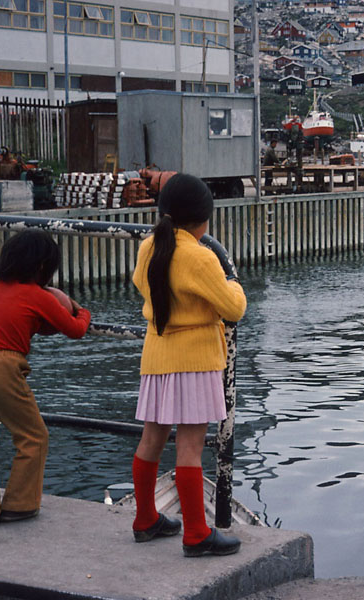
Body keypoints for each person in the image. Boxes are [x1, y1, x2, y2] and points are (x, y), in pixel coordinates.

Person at [130, 173, 247, 558]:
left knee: (152, 438)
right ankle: (196, 533)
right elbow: (233, 308)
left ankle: (145, 518)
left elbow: (139, 282)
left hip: (157, 356)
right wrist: (234, 284)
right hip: (194, 360)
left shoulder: (149, 247)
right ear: (203, 220)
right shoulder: (200, 256)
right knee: (191, 447)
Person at [0, 230, 92, 529]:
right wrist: (82, 310)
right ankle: (19, 505)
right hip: (2, 365)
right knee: (34, 437)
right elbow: (75, 329)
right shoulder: (36, 296)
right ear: (43, 266)